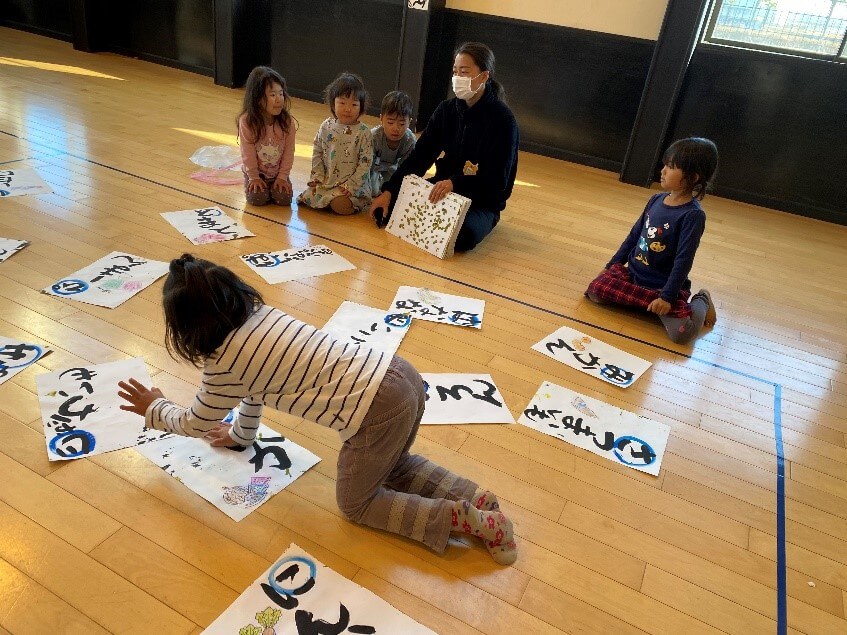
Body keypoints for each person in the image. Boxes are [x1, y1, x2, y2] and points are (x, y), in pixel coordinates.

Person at [117, 254, 517, 565]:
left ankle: (464, 520)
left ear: (187, 331)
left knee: (356, 503)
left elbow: (194, 422)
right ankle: (477, 498)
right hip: (402, 375)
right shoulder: (260, 317)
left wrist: (155, 408)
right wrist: (241, 436)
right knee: (393, 465)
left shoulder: (223, 363)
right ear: (233, 292)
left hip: (375, 410)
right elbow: (255, 392)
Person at [369, 42, 519, 251]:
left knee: (460, 235)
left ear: (484, 76)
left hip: (480, 200)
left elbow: (498, 183)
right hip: (441, 189)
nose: (457, 77)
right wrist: (390, 190)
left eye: (464, 72)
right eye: (455, 72)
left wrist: (455, 183)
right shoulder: (447, 110)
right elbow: (420, 156)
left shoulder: (503, 120)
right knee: (391, 209)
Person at [585, 137, 719, 344]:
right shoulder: (656, 199)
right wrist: (612, 265)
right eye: (665, 164)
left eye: (671, 167)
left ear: (692, 177)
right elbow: (634, 236)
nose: (663, 170)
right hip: (634, 276)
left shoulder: (692, 216)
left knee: (682, 333)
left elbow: (684, 260)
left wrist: (667, 297)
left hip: (664, 286)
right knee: (595, 292)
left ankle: (702, 300)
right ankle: (648, 305)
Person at [297, 73, 373, 215]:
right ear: (333, 103)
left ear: (361, 107)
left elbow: (365, 163)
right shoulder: (326, 126)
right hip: (327, 182)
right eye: (342, 103)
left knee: (340, 205)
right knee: (306, 198)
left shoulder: (363, 132)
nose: (348, 109)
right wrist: (317, 176)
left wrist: (351, 185)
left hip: (352, 187)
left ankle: (352, 203)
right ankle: (327, 200)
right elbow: (317, 151)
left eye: (354, 104)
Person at [238, 66, 296, 206]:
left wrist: (282, 177)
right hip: (257, 174)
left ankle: (275, 184)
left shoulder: (287, 122)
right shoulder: (247, 122)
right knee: (257, 199)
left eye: (281, 93)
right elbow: (247, 153)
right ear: (257, 98)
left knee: (283, 199)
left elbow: (289, 152)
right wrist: (253, 177)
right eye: (272, 95)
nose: (279, 99)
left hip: (277, 173)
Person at [368, 91, 416, 196]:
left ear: (409, 122)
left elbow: (406, 168)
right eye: (390, 122)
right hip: (375, 168)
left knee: (399, 190)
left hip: (394, 169)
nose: (396, 128)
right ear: (381, 119)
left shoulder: (409, 141)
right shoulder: (374, 136)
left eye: (402, 123)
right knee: (372, 190)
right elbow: (367, 165)